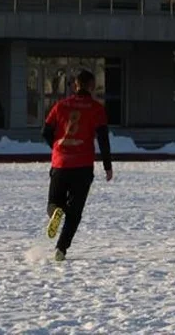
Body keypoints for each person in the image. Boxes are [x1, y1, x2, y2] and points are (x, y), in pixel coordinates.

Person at [41, 69, 113, 261]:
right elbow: (103, 138)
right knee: (75, 212)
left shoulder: (60, 105)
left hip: (60, 163)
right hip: (82, 166)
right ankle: (61, 249)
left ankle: (56, 211)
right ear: (92, 86)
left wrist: (56, 147)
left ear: (75, 86)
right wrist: (107, 165)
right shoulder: (97, 109)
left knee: (53, 202)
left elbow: (45, 131)